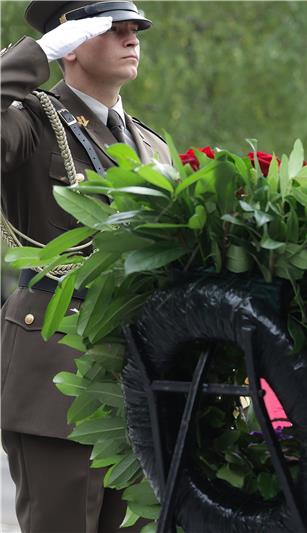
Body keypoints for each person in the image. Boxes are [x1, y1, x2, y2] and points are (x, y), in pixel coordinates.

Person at [1, 2, 170, 531]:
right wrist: (36, 55)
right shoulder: (28, 121)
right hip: (57, 371)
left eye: (135, 26)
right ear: (69, 43)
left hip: (141, 377)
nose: (131, 36)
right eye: (111, 28)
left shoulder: (154, 145)